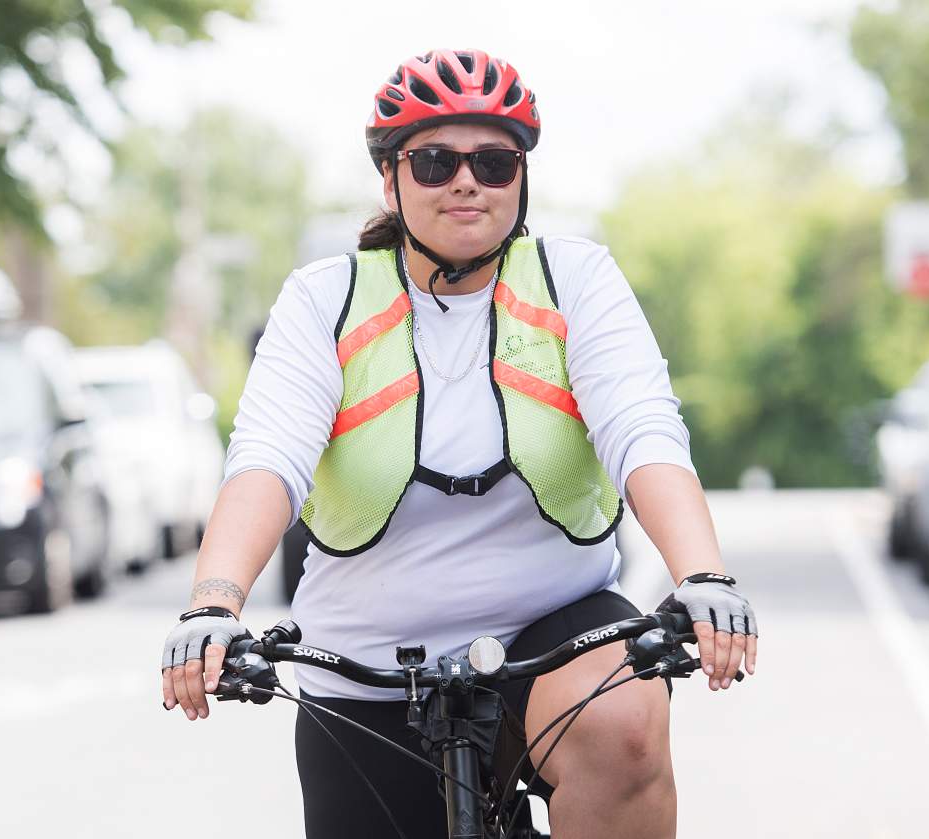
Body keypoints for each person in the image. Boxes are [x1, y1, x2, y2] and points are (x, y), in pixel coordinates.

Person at [160, 48, 759, 839]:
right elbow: (268, 458)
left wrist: (703, 574)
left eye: (494, 161)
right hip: (367, 662)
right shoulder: (324, 300)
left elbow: (642, 427)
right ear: (391, 180)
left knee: (626, 720)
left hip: (554, 630)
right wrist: (214, 601)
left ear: (522, 177)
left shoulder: (574, 278)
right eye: (436, 161)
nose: (466, 181)